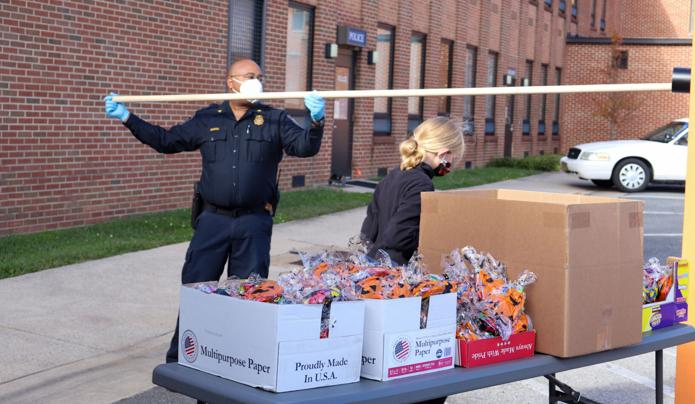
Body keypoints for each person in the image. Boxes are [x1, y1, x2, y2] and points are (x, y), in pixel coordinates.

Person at [104, 59, 326, 362]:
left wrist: (316, 122)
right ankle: (182, 359)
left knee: (249, 297)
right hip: (212, 222)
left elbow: (304, 147)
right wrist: (128, 117)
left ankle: (242, 361)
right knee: (197, 292)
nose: (256, 82)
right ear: (231, 81)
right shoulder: (208, 117)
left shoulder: (274, 119)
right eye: (250, 76)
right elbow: (166, 141)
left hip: (253, 223)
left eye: (260, 77)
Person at [360, 116, 465, 265]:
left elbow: (368, 229)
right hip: (393, 268)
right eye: (453, 158)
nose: (451, 164)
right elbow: (401, 234)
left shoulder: (393, 175)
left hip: (370, 260)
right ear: (443, 154)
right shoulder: (422, 184)